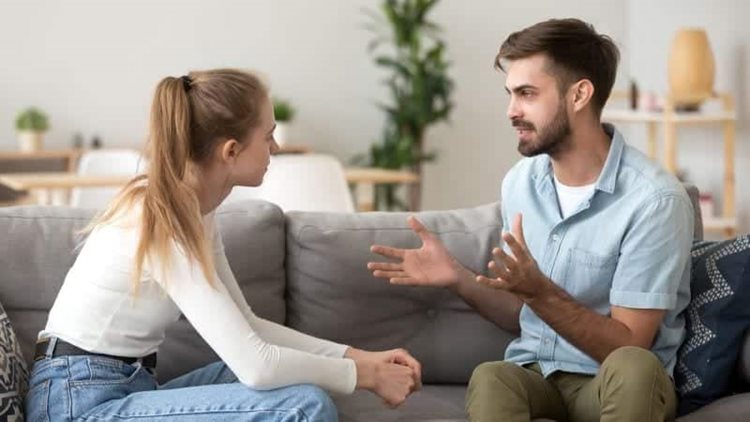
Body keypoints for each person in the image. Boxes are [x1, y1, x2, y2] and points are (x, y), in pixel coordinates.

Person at [25, 69, 421, 422]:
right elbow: (257, 367)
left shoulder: (195, 209)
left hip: (127, 385)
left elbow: (249, 328)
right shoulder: (162, 217)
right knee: (304, 405)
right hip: (78, 403)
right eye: (268, 138)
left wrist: (361, 358)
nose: (276, 149)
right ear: (231, 151)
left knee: (296, 378)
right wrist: (367, 377)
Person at [368, 18, 693, 422]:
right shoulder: (521, 183)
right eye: (510, 94)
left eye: (526, 94)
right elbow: (522, 310)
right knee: (492, 377)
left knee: (634, 368)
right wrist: (456, 276)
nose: (511, 111)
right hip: (537, 375)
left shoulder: (654, 200)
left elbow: (628, 346)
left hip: (612, 382)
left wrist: (538, 291)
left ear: (579, 95)